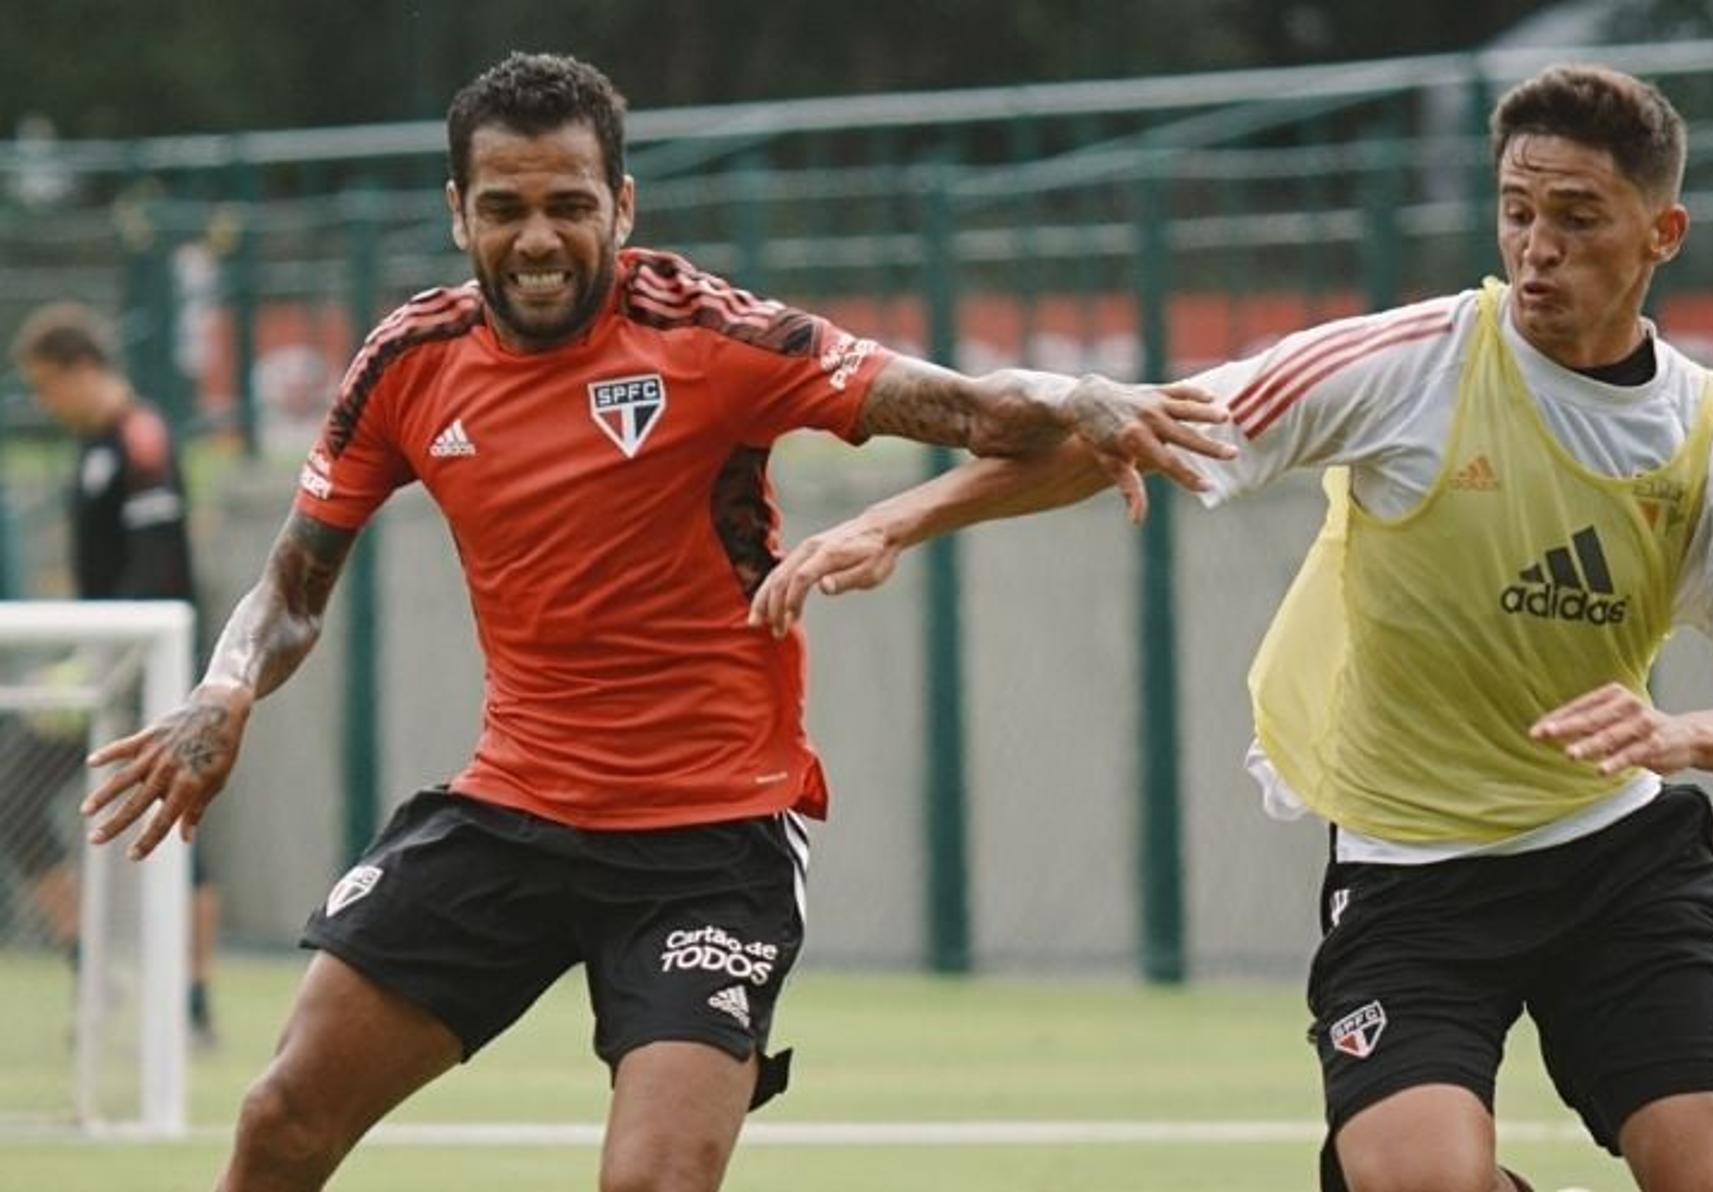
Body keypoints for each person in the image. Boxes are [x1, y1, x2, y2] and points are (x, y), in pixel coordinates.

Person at [79, 52, 1230, 1192]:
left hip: (711, 842)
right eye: (506, 209)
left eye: (571, 206)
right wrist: (225, 690)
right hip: (512, 811)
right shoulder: (407, 364)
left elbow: (979, 412)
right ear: (456, 214)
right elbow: (290, 589)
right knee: (281, 1118)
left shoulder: (715, 338)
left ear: (622, 205)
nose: (538, 239)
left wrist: (1076, 394)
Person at [748, 65, 1713, 1192]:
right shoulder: (1406, 365)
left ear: (1663, 232)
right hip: (1410, 870)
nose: (1538, 247)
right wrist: (900, 517)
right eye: (1518, 211)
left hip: (1615, 863)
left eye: (1578, 219)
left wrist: (1683, 734)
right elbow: (1137, 433)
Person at [10, 302, 223, 1048]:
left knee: (184, 818)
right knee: (13, 792)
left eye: (45, 386)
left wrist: (114, 654)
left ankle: (193, 1007)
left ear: (78, 370)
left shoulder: (140, 439)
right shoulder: (96, 445)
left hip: (151, 669)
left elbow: (160, 567)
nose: (44, 403)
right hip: (106, 667)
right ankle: (91, 963)